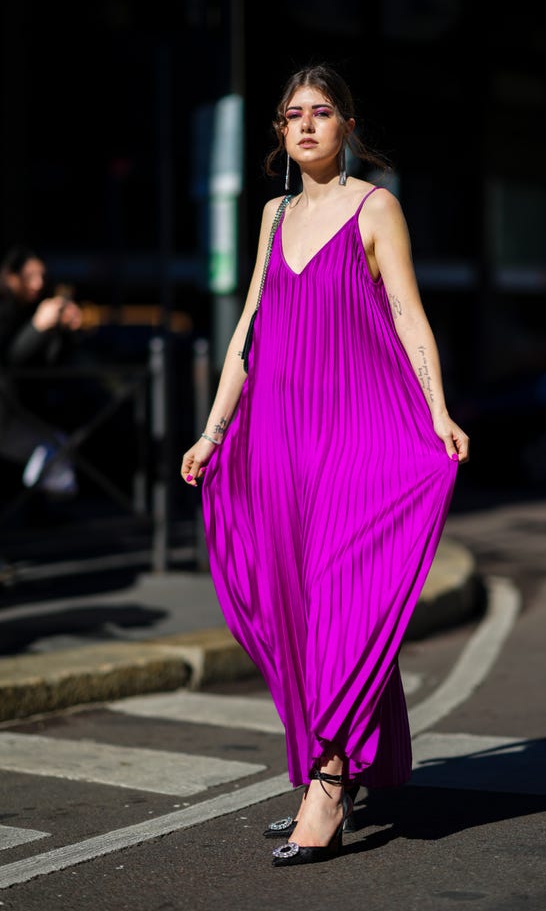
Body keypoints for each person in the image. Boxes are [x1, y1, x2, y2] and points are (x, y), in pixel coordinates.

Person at [180, 63, 469, 867]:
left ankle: (332, 783)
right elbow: (247, 332)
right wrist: (211, 432)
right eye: (292, 115)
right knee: (296, 609)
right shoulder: (273, 217)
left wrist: (438, 408)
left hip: (356, 434)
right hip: (275, 440)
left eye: (321, 113)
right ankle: (323, 763)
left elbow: (410, 314)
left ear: (346, 125)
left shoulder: (377, 208)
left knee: (344, 599)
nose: (305, 125)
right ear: (279, 131)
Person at [0, 245, 82, 497]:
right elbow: (9, 360)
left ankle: (41, 506)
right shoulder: (7, 309)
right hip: (8, 414)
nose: (37, 283)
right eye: (30, 276)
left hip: (29, 409)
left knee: (54, 448)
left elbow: (52, 364)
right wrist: (37, 328)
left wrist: (66, 331)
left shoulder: (34, 306)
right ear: (10, 277)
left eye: (42, 276)